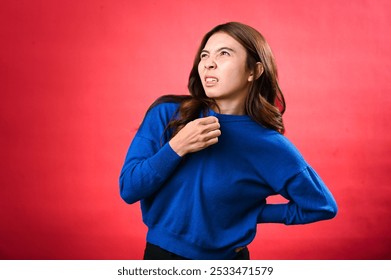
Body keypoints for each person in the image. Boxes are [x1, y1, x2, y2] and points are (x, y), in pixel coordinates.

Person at [119, 22, 338, 260]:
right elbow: (129, 189)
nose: (209, 63)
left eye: (224, 53)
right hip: (160, 258)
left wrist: (251, 213)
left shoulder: (269, 144)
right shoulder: (168, 114)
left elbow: (321, 205)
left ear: (254, 71)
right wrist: (177, 147)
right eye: (205, 55)